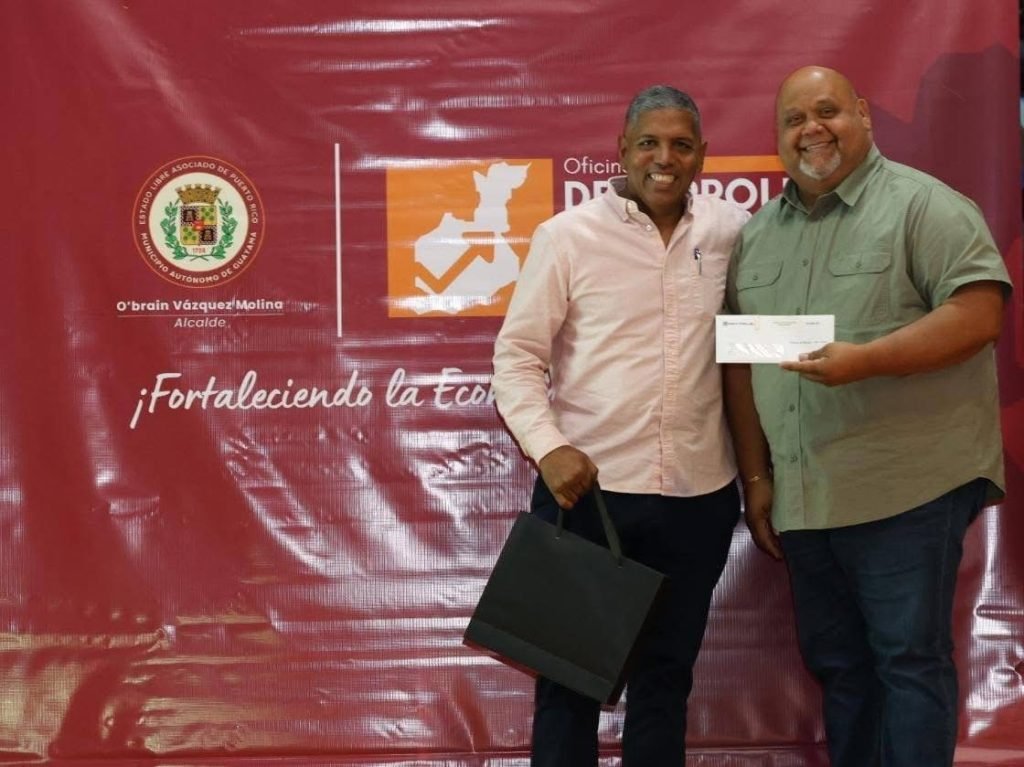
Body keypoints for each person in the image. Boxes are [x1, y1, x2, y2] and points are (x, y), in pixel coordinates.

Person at [725, 65, 1012, 767]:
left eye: (827, 111)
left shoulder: (925, 206)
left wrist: (867, 360)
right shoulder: (756, 236)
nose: (811, 129)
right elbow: (741, 360)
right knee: (841, 668)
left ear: (862, 114)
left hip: (907, 488)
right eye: (794, 119)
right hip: (807, 498)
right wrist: (758, 478)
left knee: (908, 661)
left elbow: (979, 314)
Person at [491, 85, 750, 767]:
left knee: (666, 681)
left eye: (681, 145)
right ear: (622, 150)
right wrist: (549, 448)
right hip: (589, 495)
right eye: (649, 143)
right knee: (569, 681)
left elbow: (755, 344)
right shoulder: (567, 236)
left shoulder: (732, 230)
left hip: (699, 495)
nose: (665, 158)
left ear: (702, 156)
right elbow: (516, 358)